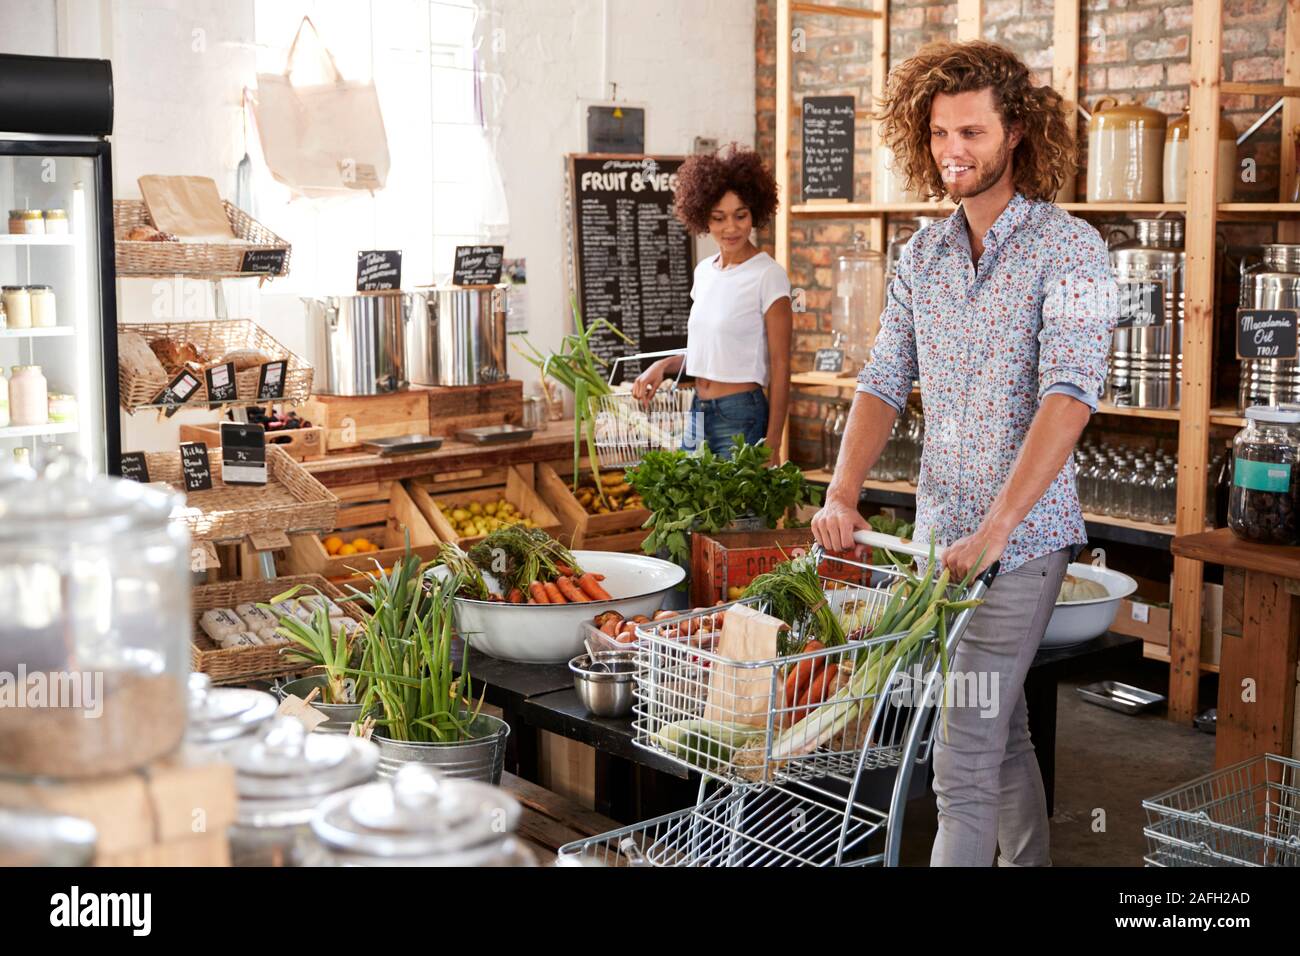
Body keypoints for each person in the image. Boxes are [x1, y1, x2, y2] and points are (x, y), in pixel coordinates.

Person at [811, 40, 1118, 867]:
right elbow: (881, 380)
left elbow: (1070, 396)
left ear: (1015, 132)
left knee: (961, 752)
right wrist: (842, 494)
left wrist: (995, 530)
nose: (954, 151)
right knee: (1001, 731)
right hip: (938, 540)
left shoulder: (1074, 249)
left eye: (972, 132)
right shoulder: (921, 255)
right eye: (941, 133)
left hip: (1021, 539)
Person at [632, 145, 793, 462]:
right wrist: (663, 366)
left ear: (755, 213)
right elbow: (710, 350)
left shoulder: (768, 275)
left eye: (740, 215)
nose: (730, 228)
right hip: (698, 410)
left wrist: (774, 441)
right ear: (703, 217)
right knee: (694, 511)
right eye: (718, 218)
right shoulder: (704, 272)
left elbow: (781, 365)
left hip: (740, 415)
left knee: (743, 513)